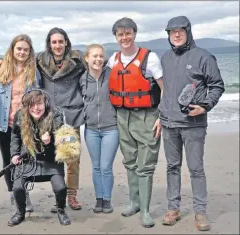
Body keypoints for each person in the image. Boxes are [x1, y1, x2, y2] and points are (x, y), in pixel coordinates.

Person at [0, 27, 86, 212]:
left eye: (61, 41)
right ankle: (19, 195)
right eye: (54, 42)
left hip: (51, 120)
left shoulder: (42, 68)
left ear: (66, 42)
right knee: (14, 159)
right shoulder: (16, 67)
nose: (58, 45)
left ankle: (69, 196)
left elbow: (90, 74)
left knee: (65, 157)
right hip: (17, 122)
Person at [159, 16, 225, 231]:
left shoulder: (203, 56)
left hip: (193, 124)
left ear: (188, 32)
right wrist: (159, 116)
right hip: (169, 124)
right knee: (172, 167)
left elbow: (217, 86)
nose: (176, 34)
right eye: (172, 31)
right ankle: (173, 208)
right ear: (168, 35)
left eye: (180, 30)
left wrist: (205, 106)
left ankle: (200, 212)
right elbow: (162, 90)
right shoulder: (165, 57)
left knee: (196, 169)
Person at [106, 17, 164, 228]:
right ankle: (134, 202)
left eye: (128, 33)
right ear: (116, 37)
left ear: (135, 34)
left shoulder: (150, 58)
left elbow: (164, 89)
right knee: (129, 161)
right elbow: (91, 69)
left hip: (147, 116)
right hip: (122, 116)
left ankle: (146, 210)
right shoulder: (113, 60)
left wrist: (162, 117)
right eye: (120, 34)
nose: (124, 38)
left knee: (145, 164)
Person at [7, 89, 71, 226]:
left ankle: (61, 210)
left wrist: (50, 142)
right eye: (32, 104)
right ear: (27, 105)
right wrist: (14, 154)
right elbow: (15, 137)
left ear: (45, 104)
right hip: (27, 159)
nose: (36, 108)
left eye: (39, 104)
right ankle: (20, 213)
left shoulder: (56, 116)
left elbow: (63, 144)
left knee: (60, 188)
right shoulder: (20, 115)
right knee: (17, 187)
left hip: (51, 160)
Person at [0, 34, 40, 214]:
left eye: (26, 50)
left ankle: (24, 194)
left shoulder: (34, 71)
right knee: (9, 161)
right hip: (4, 124)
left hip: (26, 124)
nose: (22, 52)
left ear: (30, 52)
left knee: (26, 160)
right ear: (12, 50)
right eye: (19, 48)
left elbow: (38, 96)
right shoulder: (1, 69)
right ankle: (14, 196)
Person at [79, 44, 118, 214]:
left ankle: (107, 199)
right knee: (96, 166)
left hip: (111, 128)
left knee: (105, 166)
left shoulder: (112, 75)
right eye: (94, 56)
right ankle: (99, 199)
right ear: (86, 58)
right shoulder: (81, 79)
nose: (98, 59)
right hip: (91, 129)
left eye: (101, 56)